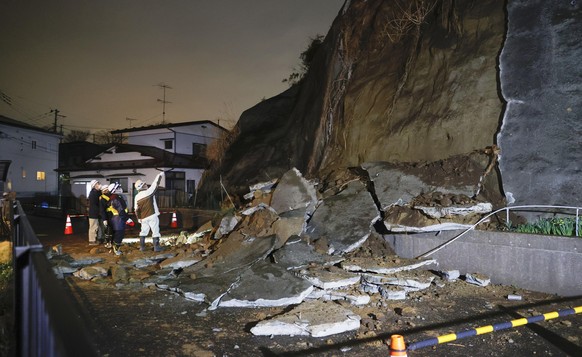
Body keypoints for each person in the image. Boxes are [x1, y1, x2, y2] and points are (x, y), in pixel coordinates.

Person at [134, 171, 165, 252]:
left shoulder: (136, 197)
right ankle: (156, 247)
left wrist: (139, 218)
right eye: (144, 184)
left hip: (143, 218)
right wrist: (160, 175)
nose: (146, 185)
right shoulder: (149, 192)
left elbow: (136, 209)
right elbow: (155, 183)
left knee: (143, 231)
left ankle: (142, 247)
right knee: (155, 231)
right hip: (152, 215)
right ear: (142, 186)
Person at [104, 183, 129, 255]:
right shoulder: (116, 198)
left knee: (115, 234)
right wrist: (126, 219)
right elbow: (121, 210)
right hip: (119, 220)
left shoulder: (114, 198)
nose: (120, 189)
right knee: (119, 234)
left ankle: (113, 248)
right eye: (118, 188)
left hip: (115, 219)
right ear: (114, 190)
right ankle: (116, 249)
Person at [87, 180, 105, 245]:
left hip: (96, 213)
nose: (98, 185)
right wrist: (99, 212)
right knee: (93, 227)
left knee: (97, 227)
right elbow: (95, 204)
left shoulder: (97, 192)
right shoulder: (92, 193)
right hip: (93, 213)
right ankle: (91, 241)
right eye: (97, 184)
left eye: (98, 183)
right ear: (94, 186)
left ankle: (97, 239)